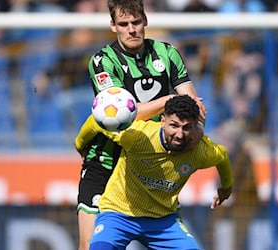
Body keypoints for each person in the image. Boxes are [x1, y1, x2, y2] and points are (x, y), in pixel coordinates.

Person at [77, 1, 206, 249]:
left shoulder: (167, 53)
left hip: (148, 166)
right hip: (106, 163)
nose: (131, 29)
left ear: (145, 20)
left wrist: (194, 126)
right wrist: (170, 101)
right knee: (90, 245)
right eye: (124, 24)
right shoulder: (102, 61)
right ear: (113, 26)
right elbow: (122, 115)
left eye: (136, 22)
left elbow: (195, 109)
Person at [75, 95, 233, 249]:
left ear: (195, 128)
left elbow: (222, 156)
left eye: (187, 128)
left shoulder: (200, 151)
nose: (179, 134)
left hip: (163, 222)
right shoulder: (138, 136)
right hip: (118, 214)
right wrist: (79, 143)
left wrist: (226, 187)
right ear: (163, 120)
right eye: (174, 125)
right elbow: (98, 121)